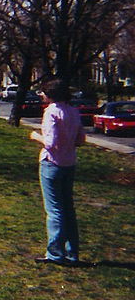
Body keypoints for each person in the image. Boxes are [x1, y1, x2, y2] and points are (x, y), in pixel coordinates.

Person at [29, 79, 86, 265]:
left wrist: (36, 136)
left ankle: (55, 253)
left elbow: (51, 143)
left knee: (54, 209)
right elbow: (81, 140)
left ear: (50, 94)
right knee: (68, 209)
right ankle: (72, 252)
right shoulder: (73, 111)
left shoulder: (51, 112)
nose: (41, 95)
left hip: (51, 164)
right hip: (69, 164)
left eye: (43, 92)